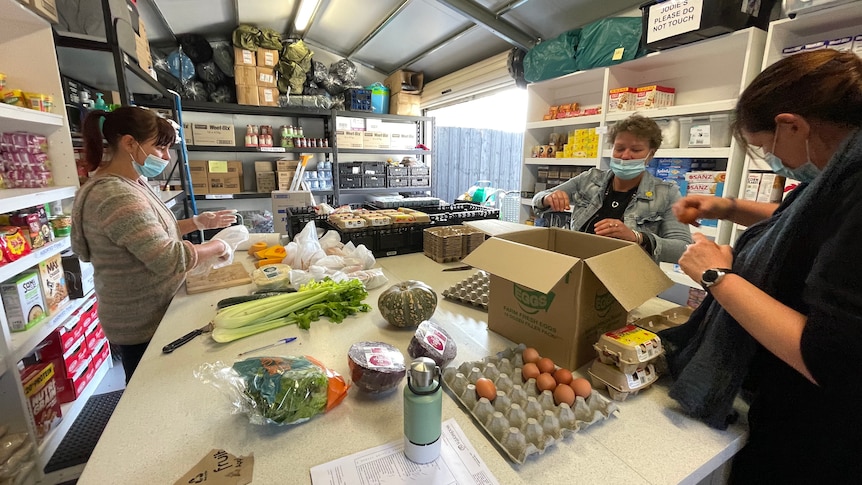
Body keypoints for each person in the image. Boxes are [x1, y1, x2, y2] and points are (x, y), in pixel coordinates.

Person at [663, 49, 862, 483]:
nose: (775, 161)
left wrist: (718, 278)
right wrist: (729, 206)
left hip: (822, 441)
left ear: (792, 125)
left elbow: (829, 357)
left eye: (767, 148)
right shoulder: (840, 174)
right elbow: (803, 222)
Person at [70, 107, 238, 383]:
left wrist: (196, 223)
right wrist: (218, 247)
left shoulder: (132, 182)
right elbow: (169, 258)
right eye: (160, 148)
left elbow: (151, 234)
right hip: (141, 320)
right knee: (147, 390)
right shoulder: (115, 195)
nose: (166, 157)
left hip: (155, 309)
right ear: (129, 143)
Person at [532, 114, 692, 263]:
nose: (625, 156)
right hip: (580, 269)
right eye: (619, 148)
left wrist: (637, 237)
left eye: (636, 150)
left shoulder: (666, 193)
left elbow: (682, 249)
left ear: (651, 154)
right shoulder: (589, 179)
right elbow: (539, 200)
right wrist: (548, 198)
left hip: (627, 280)